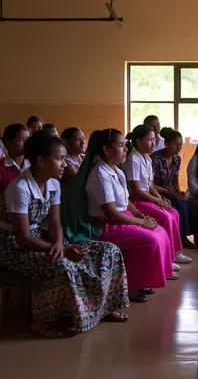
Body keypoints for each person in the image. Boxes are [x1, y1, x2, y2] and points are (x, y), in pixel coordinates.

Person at [0, 131, 129, 338]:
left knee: (107, 250)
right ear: (41, 161)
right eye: (59, 159)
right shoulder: (20, 188)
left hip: (43, 238)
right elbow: (22, 237)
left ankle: (102, 308)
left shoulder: (52, 184)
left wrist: (61, 243)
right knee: (61, 264)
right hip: (13, 247)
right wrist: (64, 251)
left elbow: (54, 222)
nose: (64, 164)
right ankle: (43, 321)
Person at [63, 128, 178, 305]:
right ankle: (131, 284)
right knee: (150, 239)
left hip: (120, 217)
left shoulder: (117, 171)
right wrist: (141, 222)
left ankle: (141, 280)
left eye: (125, 145)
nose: (125, 149)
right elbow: (111, 213)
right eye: (120, 145)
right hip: (104, 225)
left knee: (159, 232)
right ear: (106, 149)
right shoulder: (100, 173)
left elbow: (125, 201)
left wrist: (141, 215)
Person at [125, 125, 191, 266]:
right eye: (150, 140)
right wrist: (157, 201)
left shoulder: (147, 158)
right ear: (138, 141)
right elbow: (137, 190)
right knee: (166, 217)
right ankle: (167, 257)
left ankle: (175, 252)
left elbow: (149, 185)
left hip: (147, 197)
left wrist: (160, 199)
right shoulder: (133, 159)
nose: (154, 144)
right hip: (137, 201)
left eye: (154, 140)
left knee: (174, 212)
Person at [152, 127, 198, 249]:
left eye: (181, 145)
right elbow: (151, 184)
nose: (179, 148)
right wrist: (172, 194)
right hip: (158, 192)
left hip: (171, 191)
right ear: (166, 144)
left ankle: (197, 236)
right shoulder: (155, 159)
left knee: (193, 203)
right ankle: (182, 237)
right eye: (176, 145)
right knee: (180, 205)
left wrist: (180, 191)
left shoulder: (177, 159)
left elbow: (175, 181)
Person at [0, 123, 30, 195]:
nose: (27, 144)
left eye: (28, 140)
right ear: (9, 142)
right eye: (21, 140)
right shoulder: (1, 168)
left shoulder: (34, 165)